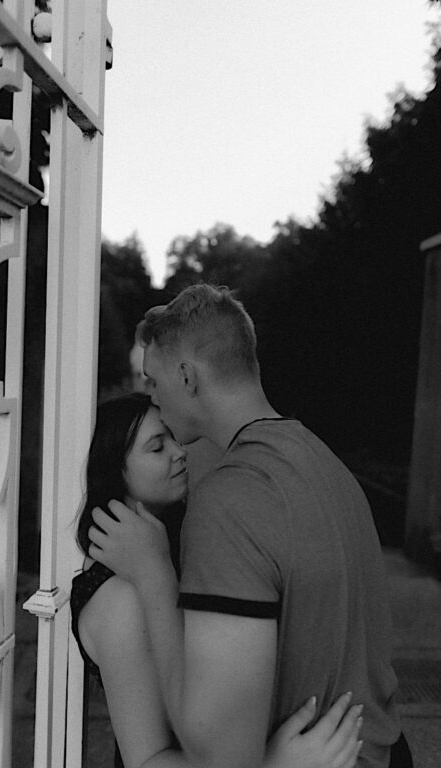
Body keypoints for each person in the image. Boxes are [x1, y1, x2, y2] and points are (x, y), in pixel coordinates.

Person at [87, 285, 410, 768]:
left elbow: (218, 754)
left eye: (153, 381)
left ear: (187, 376)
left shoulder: (230, 499)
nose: (150, 394)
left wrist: (155, 576)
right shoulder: (327, 465)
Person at [72, 392, 363, 768]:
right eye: (157, 447)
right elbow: (147, 761)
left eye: (173, 438)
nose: (180, 452)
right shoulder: (120, 598)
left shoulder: (181, 546)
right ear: (115, 474)